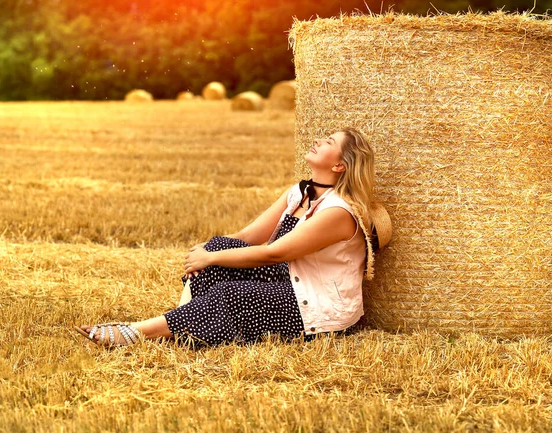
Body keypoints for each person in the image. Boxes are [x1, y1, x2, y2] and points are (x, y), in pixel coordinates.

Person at [74, 127, 391, 347]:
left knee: (230, 293)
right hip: (287, 279)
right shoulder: (299, 193)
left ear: (339, 165)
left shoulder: (337, 212)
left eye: (329, 142)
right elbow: (249, 236)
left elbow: (273, 253)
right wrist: (209, 251)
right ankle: (184, 322)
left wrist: (210, 258)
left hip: (315, 306)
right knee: (220, 247)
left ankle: (139, 332)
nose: (319, 141)